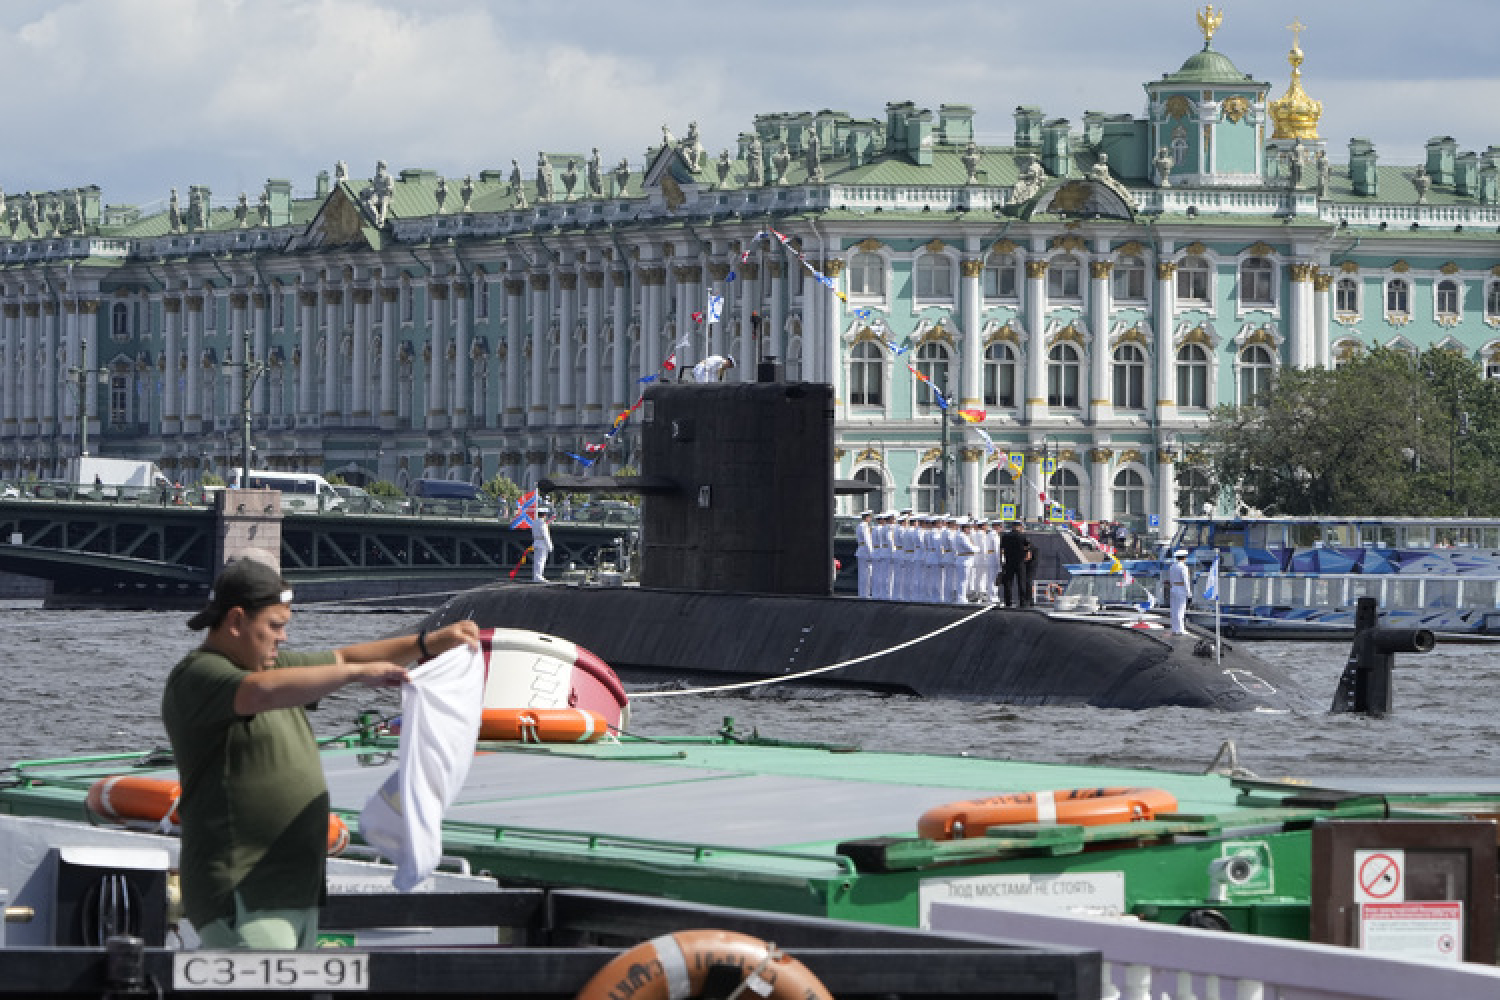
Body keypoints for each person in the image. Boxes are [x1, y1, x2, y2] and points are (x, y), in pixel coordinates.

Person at [160, 554, 479, 950]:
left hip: (293, 891)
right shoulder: (199, 676)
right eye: (275, 626)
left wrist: (427, 643)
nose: (284, 638)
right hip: (242, 892)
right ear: (237, 620)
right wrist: (355, 676)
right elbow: (262, 692)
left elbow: (343, 657)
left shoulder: (270, 667)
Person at [999, 522, 1033, 608]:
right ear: (1019, 527)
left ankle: (1008, 602)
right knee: (1021, 582)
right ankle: (1022, 602)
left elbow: (1002, 549)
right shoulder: (1022, 536)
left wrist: (1002, 561)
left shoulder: (1005, 536)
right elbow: (1028, 548)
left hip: (1009, 562)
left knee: (1008, 583)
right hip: (1020, 562)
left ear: (1012, 527)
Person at [1167, 548, 1194, 635]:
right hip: (1181, 589)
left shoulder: (1172, 566)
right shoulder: (1183, 567)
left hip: (1173, 588)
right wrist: (1189, 594)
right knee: (1181, 610)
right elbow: (1186, 581)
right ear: (1184, 558)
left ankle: (1175, 628)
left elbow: (1170, 579)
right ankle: (1181, 629)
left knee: (1174, 610)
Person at [854, 509, 874, 599]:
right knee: (867, 574)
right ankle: (865, 594)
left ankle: (862, 593)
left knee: (862, 574)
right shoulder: (865, 526)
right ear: (867, 517)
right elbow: (867, 540)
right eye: (869, 517)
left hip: (860, 550)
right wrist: (871, 553)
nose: (870, 519)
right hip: (865, 552)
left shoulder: (859, 526)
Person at [531, 505, 553, 581]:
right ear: (544, 515)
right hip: (542, 543)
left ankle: (536, 576)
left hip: (536, 542)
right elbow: (546, 535)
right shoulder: (542, 524)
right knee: (541, 560)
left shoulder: (534, 522)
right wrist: (550, 546)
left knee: (536, 561)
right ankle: (539, 576)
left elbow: (533, 533)